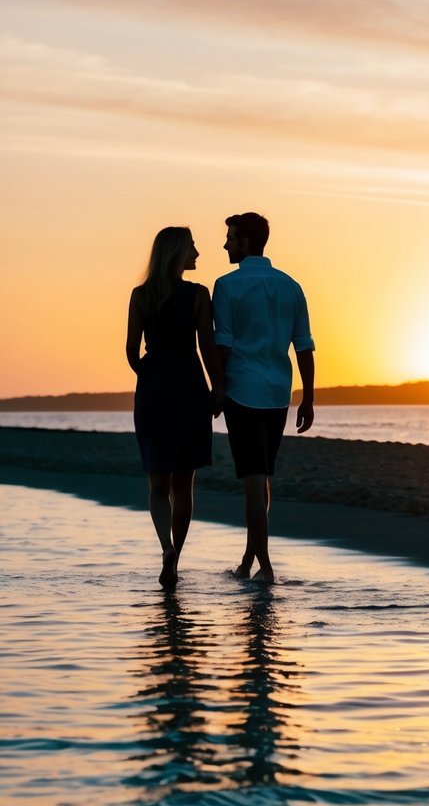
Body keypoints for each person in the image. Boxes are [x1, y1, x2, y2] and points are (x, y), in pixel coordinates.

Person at [212, 211, 315, 584]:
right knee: (262, 479)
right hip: (277, 394)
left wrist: (218, 389)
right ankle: (247, 562)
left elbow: (222, 342)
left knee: (255, 481)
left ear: (246, 243)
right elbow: (303, 346)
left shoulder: (226, 285)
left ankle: (267, 569)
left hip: (242, 392)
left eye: (230, 237)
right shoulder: (290, 285)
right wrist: (308, 397)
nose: (225, 244)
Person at [126, 226, 223, 587]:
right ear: (178, 253)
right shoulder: (198, 295)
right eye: (193, 247)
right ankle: (175, 559)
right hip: (188, 382)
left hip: (153, 385)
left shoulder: (140, 295)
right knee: (184, 484)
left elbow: (131, 351)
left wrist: (150, 375)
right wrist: (218, 389)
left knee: (157, 482)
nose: (197, 253)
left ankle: (164, 546)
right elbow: (208, 347)